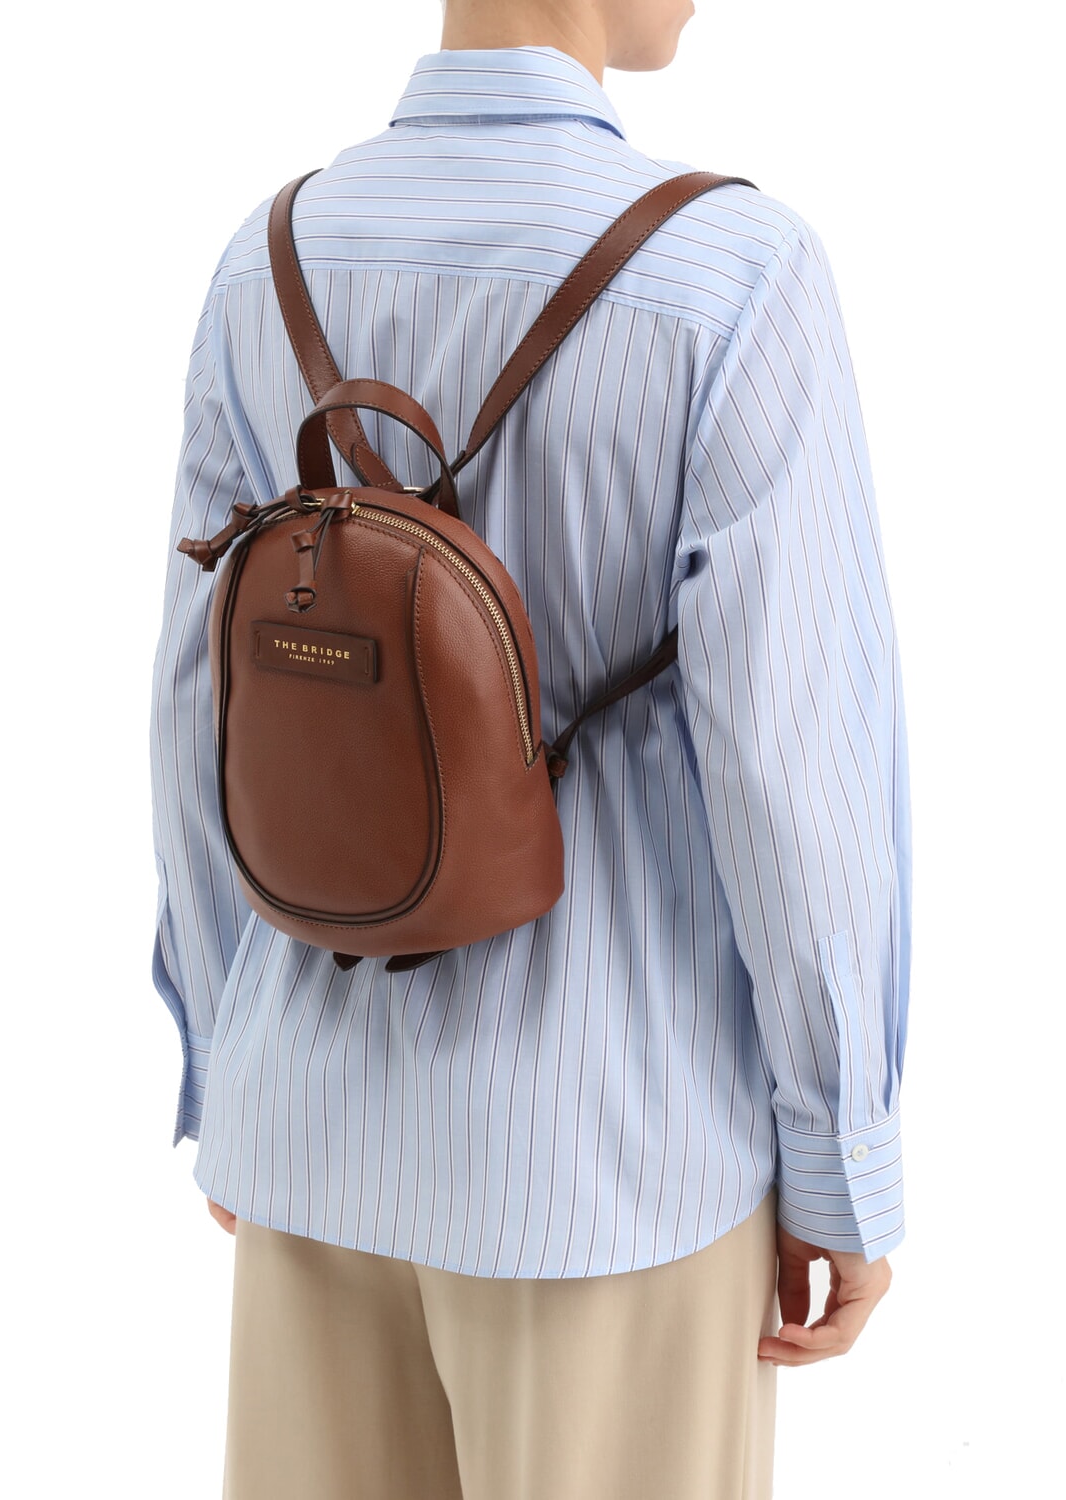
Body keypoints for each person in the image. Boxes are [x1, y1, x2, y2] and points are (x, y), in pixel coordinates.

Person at [149, 1, 911, 1495]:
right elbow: (793, 771)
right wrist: (839, 1158)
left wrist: (231, 1077)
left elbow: (198, 705)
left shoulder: (269, 259)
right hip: (609, 1172)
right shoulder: (732, 275)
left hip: (311, 1142)